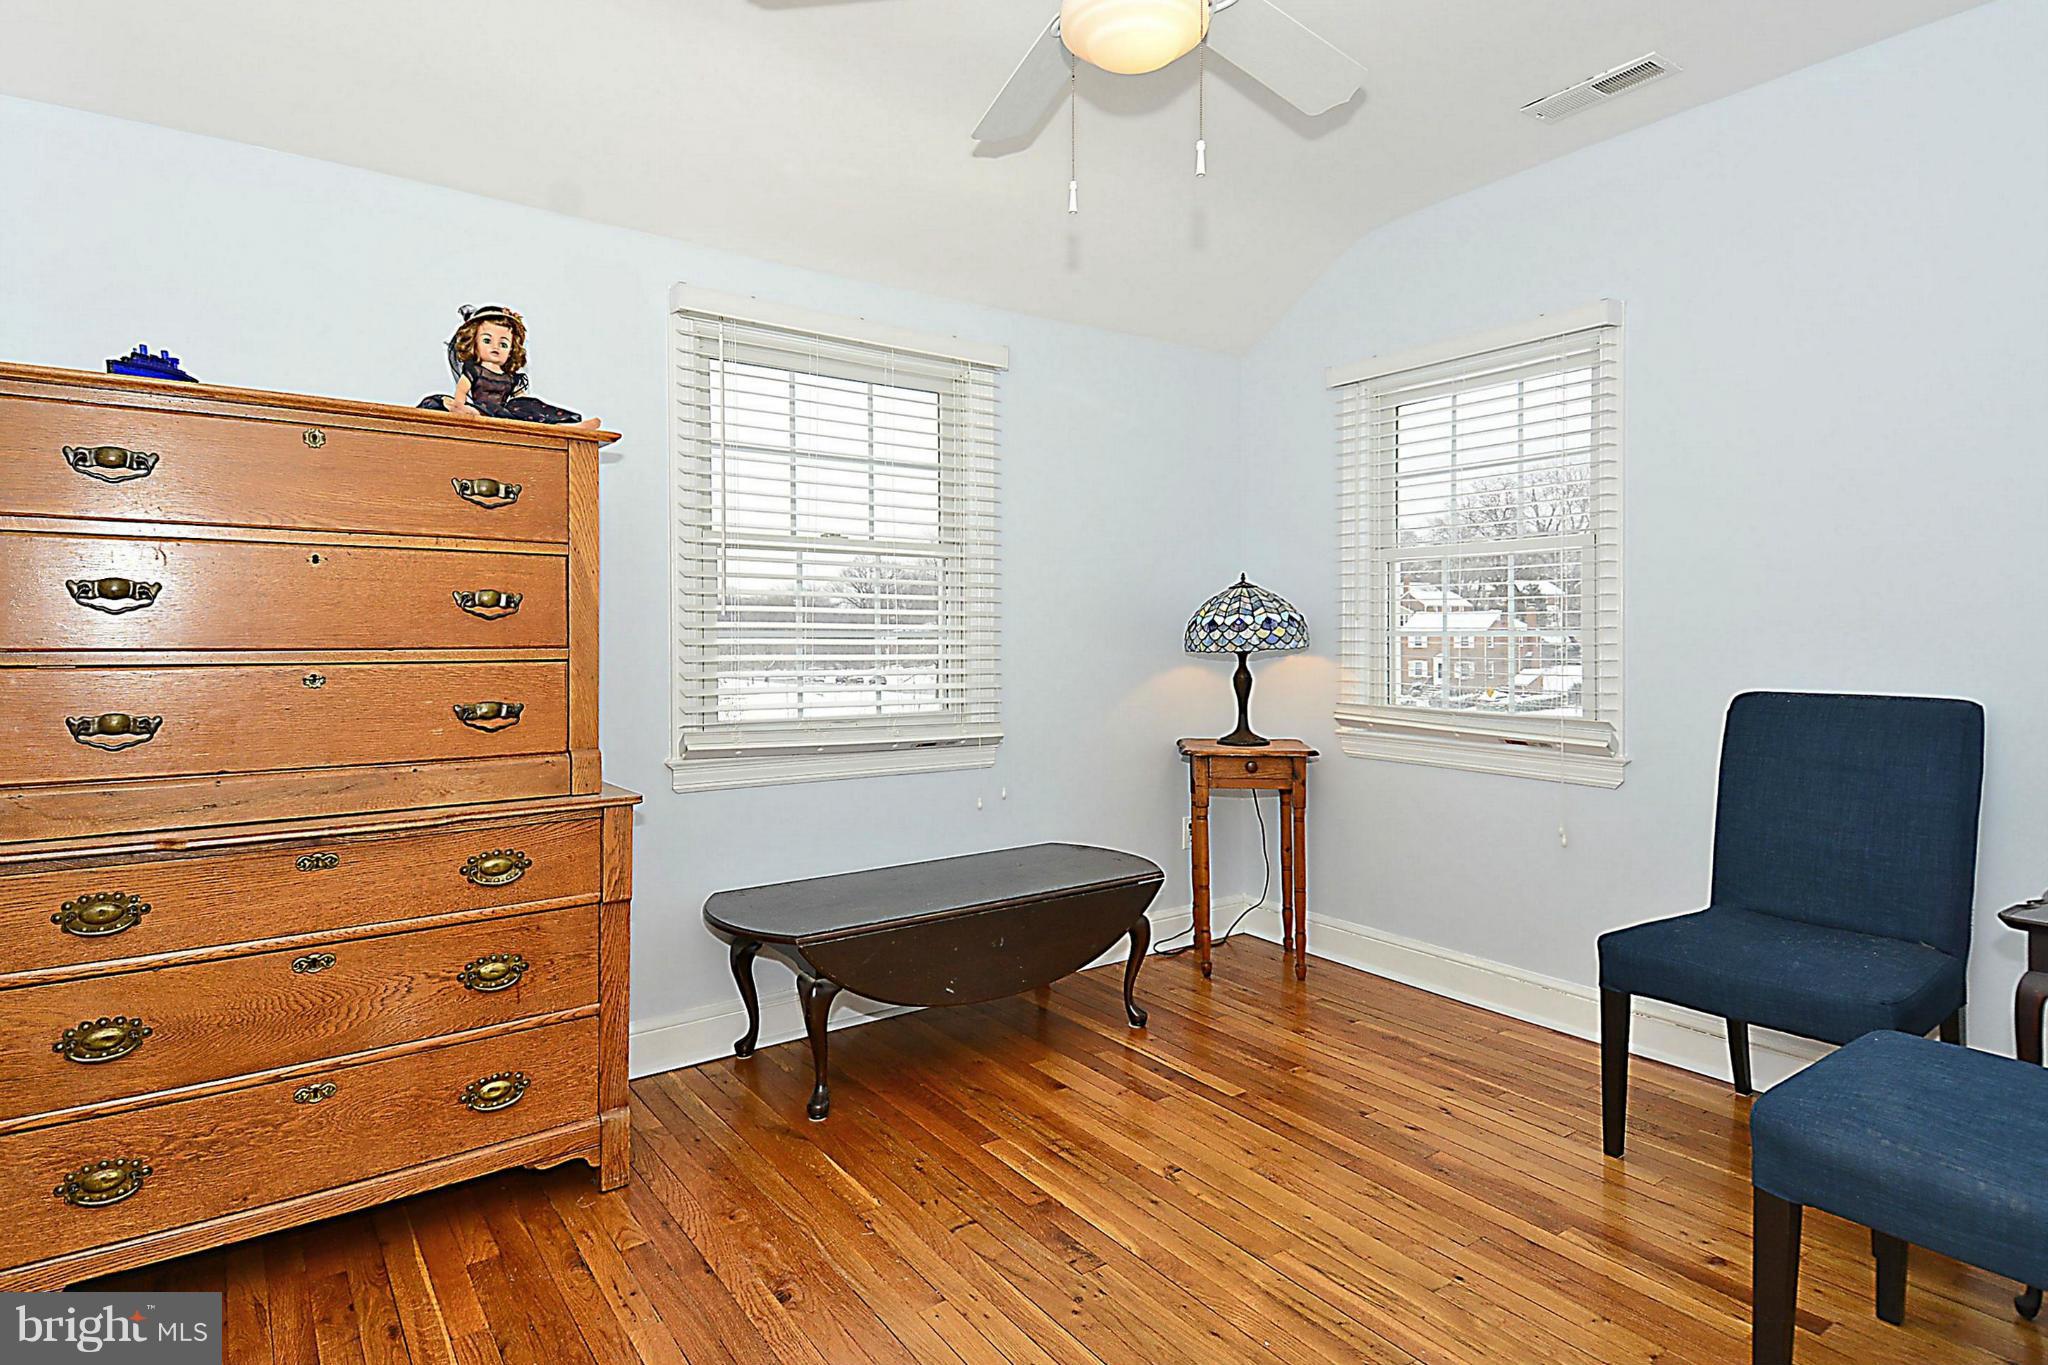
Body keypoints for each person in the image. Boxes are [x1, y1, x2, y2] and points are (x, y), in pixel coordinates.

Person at [419, 304, 599, 428]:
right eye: (487, 340)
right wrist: (459, 405)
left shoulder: (512, 377)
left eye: (503, 344)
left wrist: (524, 403)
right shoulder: (475, 370)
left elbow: (519, 397)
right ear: (473, 344)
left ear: (512, 350)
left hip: (505, 411)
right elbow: (462, 390)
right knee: (442, 403)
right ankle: (465, 412)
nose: (495, 347)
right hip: (482, 409)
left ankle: (566, 426)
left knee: (530, 406)